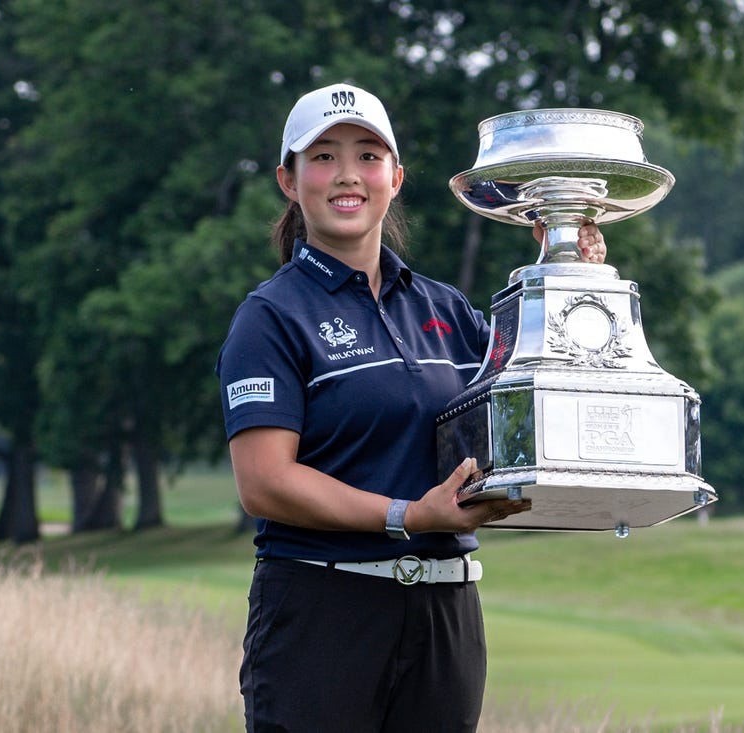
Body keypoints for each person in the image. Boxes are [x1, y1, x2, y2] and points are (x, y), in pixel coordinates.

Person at [216, 82, 607, 733]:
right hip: (323, 609)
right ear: (289, 179)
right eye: (323, 157)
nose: (348, 175)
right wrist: (407, 514)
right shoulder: (270, 317)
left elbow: (525, 406)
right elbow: (264, 482)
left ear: (395, 177)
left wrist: (565, 272)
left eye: (368, 156)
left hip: (445, 615)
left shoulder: (445, 309)